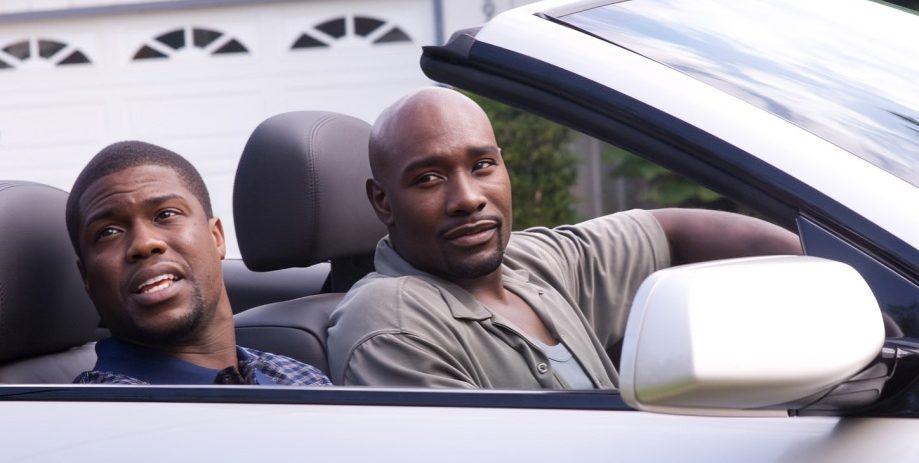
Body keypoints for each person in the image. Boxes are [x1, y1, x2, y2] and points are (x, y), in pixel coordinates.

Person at [326, 87, 802, 389]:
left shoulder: (528, 262)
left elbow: (672, 231)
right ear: (383, 202)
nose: (468, 198)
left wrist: (830, 264)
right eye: (428, 178)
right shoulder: (391, 321)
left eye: (482, 165)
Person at [66, 141, 330, 385]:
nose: (144, 243)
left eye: (166, 214)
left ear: (216, 238)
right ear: (86, 279)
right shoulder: (103, 408)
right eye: (109, 232)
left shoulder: (300, 377)